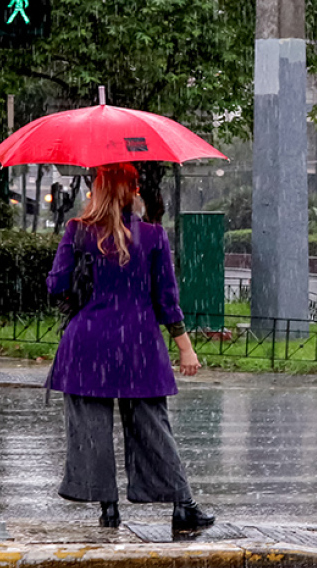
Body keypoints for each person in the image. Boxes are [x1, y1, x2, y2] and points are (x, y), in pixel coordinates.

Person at [46, 163, 215, 530]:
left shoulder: (77, 232)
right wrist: (186, 347)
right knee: (152, 427)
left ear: (97, 189)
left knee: (90, 429)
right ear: (132, 191)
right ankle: (182, 505)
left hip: (86, 344)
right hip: (138, 345)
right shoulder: (153, 236)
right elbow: (166, 299)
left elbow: (56, 286)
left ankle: (108, 507)